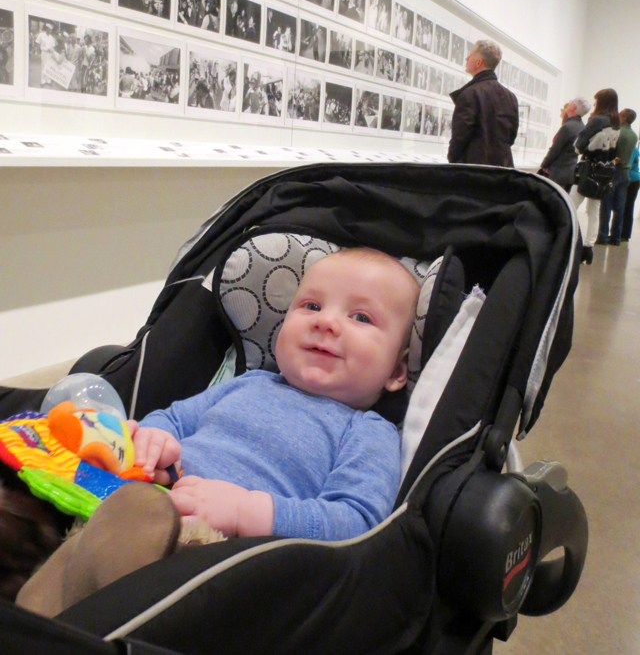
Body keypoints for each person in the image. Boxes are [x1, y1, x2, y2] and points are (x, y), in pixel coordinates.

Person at [16, 248, 419, 614]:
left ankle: (78, 598)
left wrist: (246, 511)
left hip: (221, 551)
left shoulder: (369, 432)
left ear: (397, 372)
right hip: (141, 497)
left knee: (139, 533)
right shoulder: (248, 383)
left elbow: (356, 523)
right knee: (38, 466)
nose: (326, 321)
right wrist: (154, 440)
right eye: (311, 305)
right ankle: (47, 589)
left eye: (361, 317)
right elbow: (173, 419)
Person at [447, 39, 519, 166]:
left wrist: (452, 159)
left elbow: (459, 138)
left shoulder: (469, 94)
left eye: (470, 55)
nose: (466, 58)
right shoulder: (511, 97)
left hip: (475, 171)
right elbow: (511, 137)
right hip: (502, 170)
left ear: (479, 62)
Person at [570, 88, 620, 264]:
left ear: (602, 102)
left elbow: (578, 145)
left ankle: (569, 240)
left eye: (597, 100)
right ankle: (588, 247)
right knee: (594, 211)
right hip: (604, 172)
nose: (595, 103)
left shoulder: (597, 120)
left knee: (571, 204)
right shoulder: (616, 123)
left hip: (588, 170)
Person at [596, 108, 638, 247]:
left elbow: (612, 152)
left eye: (620, 115)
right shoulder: (634, 135)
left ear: (624, 118)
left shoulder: (618, 132)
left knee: (606, 205)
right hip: (626, 173)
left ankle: (602, 236)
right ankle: (616, 237)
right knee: (620, 207)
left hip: (614, 171)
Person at [538, 97, 592, 191]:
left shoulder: (567, 127)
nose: (569, 103)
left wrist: (544, 165)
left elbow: (555, 150)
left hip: (558, 173)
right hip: (570, 172)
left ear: (573, 107)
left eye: (571, 102)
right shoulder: (582, 127)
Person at [621, 143, 640, 243]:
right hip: (632, 180)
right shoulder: (633, 148)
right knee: (626, 207)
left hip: (632, 181)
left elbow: (629, 164)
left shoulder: (632, 149)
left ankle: (625, 234)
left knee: (628, 207)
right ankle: (623, 234)